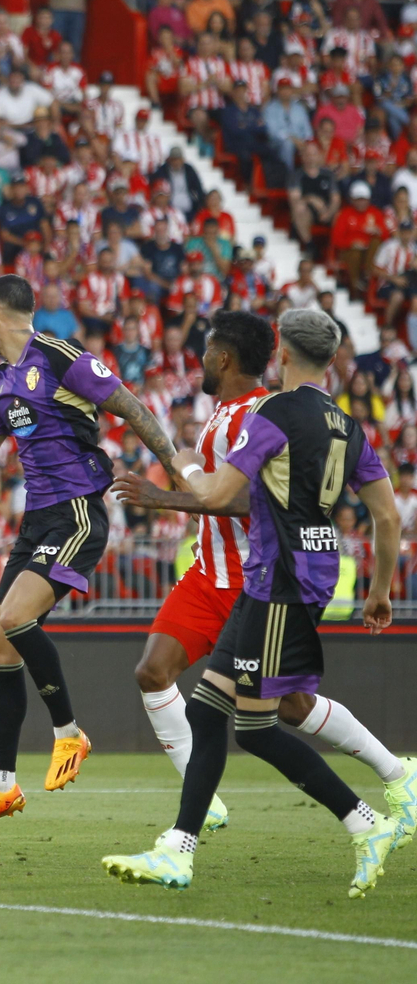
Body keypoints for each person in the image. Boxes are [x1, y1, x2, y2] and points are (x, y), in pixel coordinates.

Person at [103, 309, 409, 896]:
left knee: (257, 724)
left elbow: (220, 495)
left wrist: (160, 495)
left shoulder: (271, 414)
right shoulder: (346, 424)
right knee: (213, 710)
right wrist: (378, 590)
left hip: (281, 581)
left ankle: (366, 821)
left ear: (286, 357)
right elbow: (388, 515)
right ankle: (182, 848)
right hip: (286, 576)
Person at [0, 276, 180, 834]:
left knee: (14, 620)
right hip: (37, 522)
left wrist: (178, 468)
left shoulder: (60, 356)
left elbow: (131, 407)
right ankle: (2, 787)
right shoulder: (1, 380)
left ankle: (68, 732)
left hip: (79, 511)